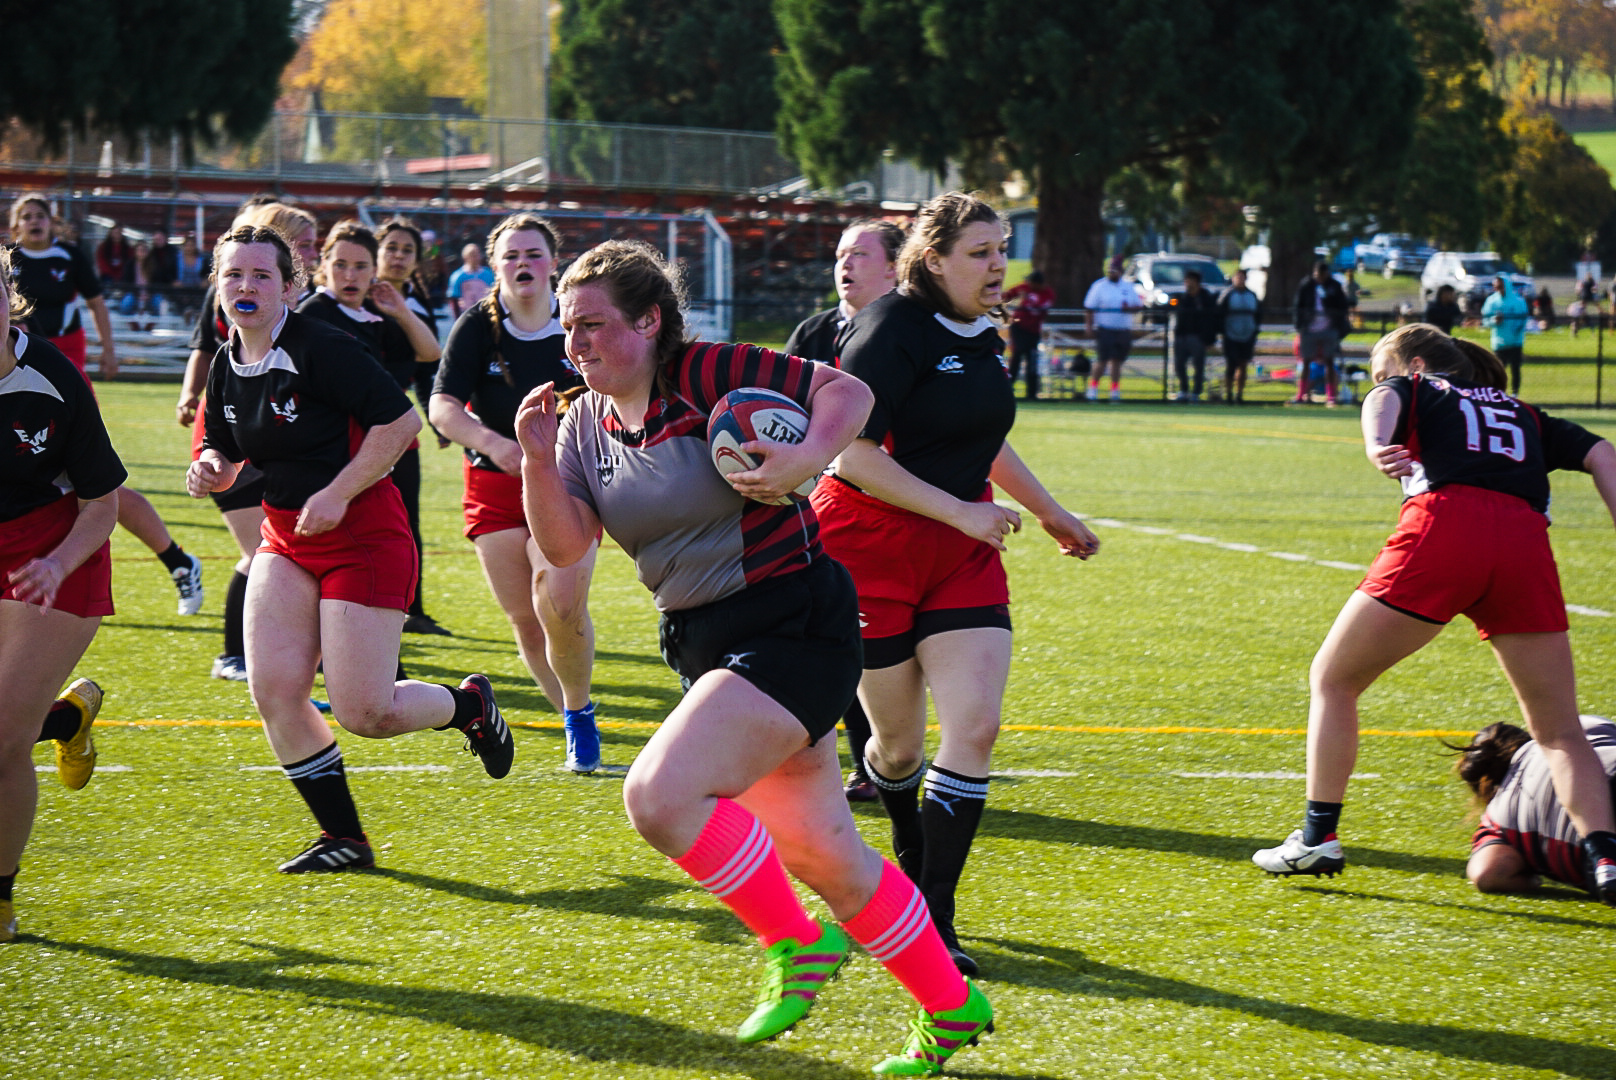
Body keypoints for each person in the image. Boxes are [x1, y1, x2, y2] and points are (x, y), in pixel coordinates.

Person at [515, 237, 994, 1074]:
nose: (575, 344)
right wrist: (532, 455)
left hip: (792, 620)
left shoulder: (705, 372)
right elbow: (564, 546)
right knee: (823, 855)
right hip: (702, 641)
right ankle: (951, 1007)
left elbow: (848, 392)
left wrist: (809, 458)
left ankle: (795, 944)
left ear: (649, 321)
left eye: (593, 325)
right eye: (567, 328)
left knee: (659, 797)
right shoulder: (582, 423)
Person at [812, 192, 1100, 977]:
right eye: (980, 252)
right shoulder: (887, 330)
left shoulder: (981, 333)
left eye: (1001, 248)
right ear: (932, 260)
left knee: (973, 730)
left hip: (961, 551)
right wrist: (960, 511)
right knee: (896, 749)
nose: (998, 264)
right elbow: (850, 455)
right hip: (867, 545)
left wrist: (1049, 511)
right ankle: (903, 857)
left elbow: (983, 436)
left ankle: (932, 917)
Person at [1252, 325, 1616, 907]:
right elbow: (1602, 451)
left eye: (1384, 370)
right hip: (1525, 543)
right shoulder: (1524, 412)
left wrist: (1376, 444)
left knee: (1333, 678)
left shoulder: (1416, 387)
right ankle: (1606, 859)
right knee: (1559, 731)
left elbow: (1386, 397)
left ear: (1415, 365)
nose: (1380, 383)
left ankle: (1318, 837)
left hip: (1446, 527)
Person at [188, 224, 513, 873]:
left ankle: (470, 705)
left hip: (363, 536)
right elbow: (230, 447)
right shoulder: (228, 360)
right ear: (217, 286)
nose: (245, 287)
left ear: (289, 286)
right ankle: (346, 838)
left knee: (367, 711)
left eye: (260, 276)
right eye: (233, 275)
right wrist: (212, 466)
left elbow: (399, 422)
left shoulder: (321, 347)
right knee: (275, 689)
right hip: (284, 536)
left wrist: (338, 491)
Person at [430, 213, 603, 772]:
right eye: (511, 256)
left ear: (554, 262)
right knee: (526, 618)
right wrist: (492, 442)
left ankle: (578, 715)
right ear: (494, 265)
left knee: (556, 597)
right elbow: (442, 406)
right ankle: (573, 715)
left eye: (533, 254)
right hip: (494, 482)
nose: (522, 264)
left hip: (568, 482)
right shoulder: (477, 326)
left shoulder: (578, 321)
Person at [0, 246, 123, 942]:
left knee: (0, 742)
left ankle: (1, 901)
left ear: (9, 295)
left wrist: (58, 562)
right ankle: (67, 718)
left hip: (56, 551)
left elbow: (104, 503)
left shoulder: (51, 376)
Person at [8, 196, 205, 617]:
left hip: (55, 373)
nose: (34, 222)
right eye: (25, 217)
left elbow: (96, 302)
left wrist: (109, 351)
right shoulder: (13, 260)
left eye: (40, 215)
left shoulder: (68, 259)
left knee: (98, 488)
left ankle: (176, 561)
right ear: (15, 226)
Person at [783, 217, 907, 802]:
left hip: (901, 509)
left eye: (860, 253)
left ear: (894, 266)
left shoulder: (914, 334)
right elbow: (768, 408)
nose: (845, 263)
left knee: (884, 643)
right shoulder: (814, 332)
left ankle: (891, 754)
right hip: (818, 507)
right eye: (840, 253)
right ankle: (866, 764)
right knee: (836, 633)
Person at [176, 202, 319, 681]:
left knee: (281, 552)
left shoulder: (299, 303)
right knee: (262, 552)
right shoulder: (239, 293)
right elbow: (206, 350)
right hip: (233, 433)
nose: (312, 251)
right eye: (305, 242)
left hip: (276, 434)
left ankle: (291, 654)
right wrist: (189, 396)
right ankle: (235, 654)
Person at [297, 221, 449, 639]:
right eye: (341, 264)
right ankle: (326, 632)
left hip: (388, 440)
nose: (350, 275)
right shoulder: (314, 312)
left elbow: (431, 352)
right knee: (332, 533)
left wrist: (399, 310)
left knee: (395, 530)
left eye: (360, 266)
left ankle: (396, 616)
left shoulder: (379, 315)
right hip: (333, 447)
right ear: (324, 265)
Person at [1450, 717, 1616, 898]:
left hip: (1596, 856)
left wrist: (1537, 873)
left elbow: (1487, 874)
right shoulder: (1576, 724)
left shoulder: (1496, 819)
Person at [1083, 256, 1143, 402]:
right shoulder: (1099, 286)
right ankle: (1093, 388)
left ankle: (1114, 390)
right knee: (1102, 360)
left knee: (1117, 361)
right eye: (1110, 271)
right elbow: (1089, 308)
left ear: (1120, 272)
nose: (1112, 273)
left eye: (1115, 271)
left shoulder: (1128, 287)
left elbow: (1139, 305)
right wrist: (1089, 327)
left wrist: (1129, 308)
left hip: (1123, 330)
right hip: (1105, 329)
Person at [1291, 261, 1350, 406]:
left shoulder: (1334, 286)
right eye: (1317, 275)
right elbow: (1298, 306)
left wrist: (1327, 299)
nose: (1319, 278)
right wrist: (1300, 326)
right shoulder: (1306, 285)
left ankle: (1331, 397)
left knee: (1329, 362)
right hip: (1309, 330)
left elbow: (1342, 306)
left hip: (1328, 329)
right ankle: (1301, 395)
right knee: (1305, 361)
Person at [1003, 269, 1055, 401]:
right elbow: (1008, 294)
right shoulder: (1026, 287)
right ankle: (1007, 390)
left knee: (1032, 360)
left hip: (1033, 331)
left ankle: (1031, 393)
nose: (1029, 284)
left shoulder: (1048, 294)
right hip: (1019, 327)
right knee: (1017, 355)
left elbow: (1040, 309)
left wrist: (1028, 298)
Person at [1171, 268, 1219, 402]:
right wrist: (1172, 301)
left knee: (1198, 367)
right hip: (1182, 337)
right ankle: (1183, 391)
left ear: (1197, 282)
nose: (1188, 284)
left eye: (1190, 281)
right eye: (1186, 281)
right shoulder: (1182, 298)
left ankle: (1196, 393)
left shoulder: (1205, 299)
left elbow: (1212, 320)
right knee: (1179, 365)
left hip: (1198, 338)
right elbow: (1171, 305)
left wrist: (1209, 339)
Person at [1217, 268, 1260, 403]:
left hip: (1247, 335)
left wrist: (1254, 331)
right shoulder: (1227, 295)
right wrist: (1222, 333)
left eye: (1242, 277)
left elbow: (1258, 315)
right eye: (1238, 277)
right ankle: (1228, 394)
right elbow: (1219, 314)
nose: (1240, 280)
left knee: (1243, 365)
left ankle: (1239, 394)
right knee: (1231, 365)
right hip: (1230, 335)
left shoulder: (1252, 295)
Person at [1481, 274, 1529, 395]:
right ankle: (1499, 392)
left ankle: (1515, 393)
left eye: (1501, 286)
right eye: (1496, 287)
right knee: (1499, 369)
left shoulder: (1518, 301)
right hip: (1499, 342)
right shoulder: (1491, 301)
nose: (1498, 289)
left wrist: (1517, 329)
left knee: (1515, 369)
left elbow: (1523, 319)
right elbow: (1485, 320)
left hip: (1515, 341)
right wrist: (1493, 321)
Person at [447, 243, 495, 317]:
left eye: (477, 254)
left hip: (485, 314)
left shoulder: (488, 274)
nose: (476, 258)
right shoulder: (458, 276)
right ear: (465, 257)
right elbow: (454, 299)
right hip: (466, 315)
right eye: (472, 255)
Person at [94, 224, 134, 289]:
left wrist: (120, 275)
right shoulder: (103, 247)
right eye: (115, 233)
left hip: (123, 277)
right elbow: (102, 263)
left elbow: (129, 263)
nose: (117, 235)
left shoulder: (128, 249)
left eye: (119, 232)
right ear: (111, 234)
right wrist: (112, 275)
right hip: (107, 277)